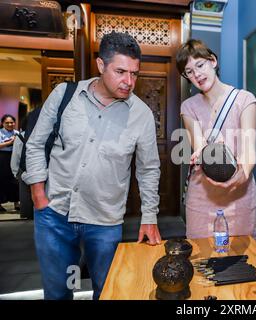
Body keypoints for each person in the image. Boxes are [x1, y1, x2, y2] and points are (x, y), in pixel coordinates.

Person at [22, 31, 161, 300]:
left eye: (134, 74)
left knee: (109, 291)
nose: (128, 81)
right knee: (58, 292)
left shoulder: (141, 114)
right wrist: (39, 195)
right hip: (55, 215)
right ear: (100, 65)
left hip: (105, 221)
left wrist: (150, 217)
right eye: (121, 71)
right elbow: (36, 143)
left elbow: (148, 169)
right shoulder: (65, 95)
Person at [176, 39, 256, 239]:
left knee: (242, 260)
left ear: (212, 61)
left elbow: (248, 148)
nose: (196, 74)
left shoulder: (244, 99)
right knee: (201, 260)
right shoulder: (188, 106)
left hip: (239, 194)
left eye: (200, 65)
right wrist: (207, 153)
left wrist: (242, 174)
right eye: (189, 72)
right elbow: (200, 146)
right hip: (202, 194)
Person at [0, 114, 20, 212]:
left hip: (14, 156)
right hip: (2, 158)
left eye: (11, 122)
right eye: (7, 122)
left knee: (15, 180)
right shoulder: (0, 133)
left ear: (14, 123)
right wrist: (10, 142)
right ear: (2, 123)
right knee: (1, 180)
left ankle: (17, 203)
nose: (9, 124)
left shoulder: (17, 133)